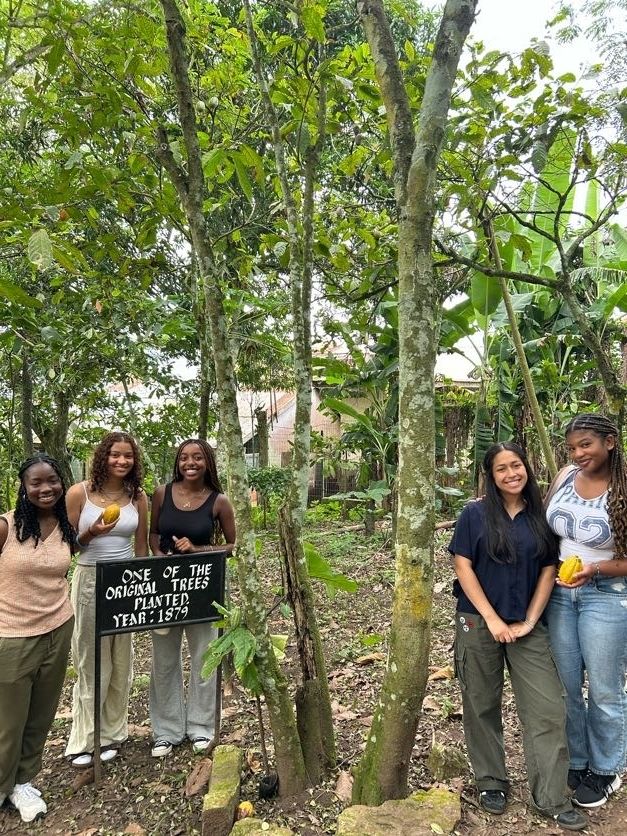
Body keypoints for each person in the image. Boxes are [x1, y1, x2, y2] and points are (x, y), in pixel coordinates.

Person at [449, 442, 586, 832]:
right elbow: (463, 565)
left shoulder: (542, 517)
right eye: (501, 469)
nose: (511, 474)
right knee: (480, 703)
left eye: (517, 465)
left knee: (547, 709)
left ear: (526, 467)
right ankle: (491, 780)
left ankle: (552, 796)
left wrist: (529, 621)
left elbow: (548, 569)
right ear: (490, 476)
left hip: (528, 626)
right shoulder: (474, 514)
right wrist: (492, 619)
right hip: (478, 623)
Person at [545, 412, 627, 808]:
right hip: (561, 595)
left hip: (607, 593)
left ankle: (606, 768)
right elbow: (541, 522)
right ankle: (577, 759)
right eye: (572, 447)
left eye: (586, 445)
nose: (578, 454)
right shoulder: (563, 476)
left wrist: (594, 568)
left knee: (605, 689)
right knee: (567, 687)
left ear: (609, 442)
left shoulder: (623, 486)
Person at [65, 431, 148, 767]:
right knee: (90, 659)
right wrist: (91, 532)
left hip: (126, 580)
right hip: (88, 579)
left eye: (128, 455)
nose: (122, 461)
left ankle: (113, 733)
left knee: (121, 658)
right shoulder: (79, 493)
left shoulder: (137, 496)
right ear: (103, 457)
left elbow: (141, 547)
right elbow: (66, 545)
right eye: (115, 454)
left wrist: (142, 586)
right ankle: (85, 738)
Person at [149, 438, 235, 758]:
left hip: (204, 588)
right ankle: (166, 730)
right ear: (177, 462)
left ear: (207, 462)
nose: (190, 463)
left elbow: (232, 545)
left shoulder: (218, 501)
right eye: (184, 457)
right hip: (165, 587)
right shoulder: (161, 493)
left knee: (204, 657)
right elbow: (154, 533)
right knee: (164, 659)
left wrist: (198, 549)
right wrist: (159, 556)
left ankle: (201, 727)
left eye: (197, 457)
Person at [0, 454, 75, 823]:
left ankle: (23, 782)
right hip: (12, 635)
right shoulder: (6, 526)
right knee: (7, 720)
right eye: (37, 483)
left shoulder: (64, 525)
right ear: (24, 488)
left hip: (58, 628)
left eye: (52, 481)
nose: (46, 488)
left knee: (41, 714)